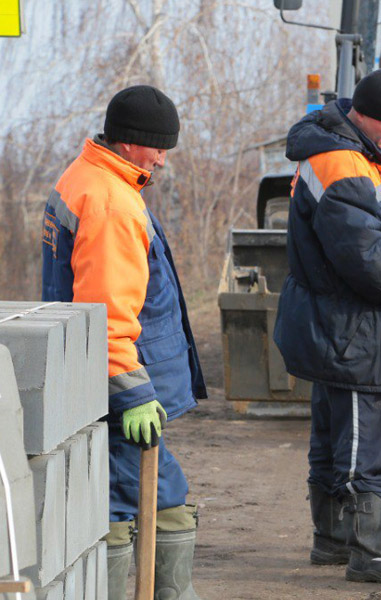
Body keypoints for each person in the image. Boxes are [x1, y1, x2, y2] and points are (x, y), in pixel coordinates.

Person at [272, 67, 381, 585]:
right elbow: (368, 258)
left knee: (331, 430)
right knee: (360, 438)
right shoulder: (339, 162)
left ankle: (331, 539)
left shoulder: (354, 148)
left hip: (335, 317)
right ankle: (367, 552)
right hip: (347, 321)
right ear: (361, 115)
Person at [41, 85, 207, 600]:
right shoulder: (112, 202)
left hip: (91, 372)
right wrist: (133, 393)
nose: (162, 157)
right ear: (131, 142)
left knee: (114, 494)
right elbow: (108, 310)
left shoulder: (85, 177)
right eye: (158, 146)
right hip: (117, 382)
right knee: (147, 497)